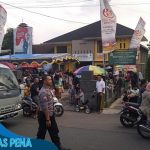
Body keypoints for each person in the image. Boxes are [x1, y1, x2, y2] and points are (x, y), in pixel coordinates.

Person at [37, 75, 70, 150]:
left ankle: (58, 147)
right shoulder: (43, 92)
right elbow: (45, 107)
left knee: (54, 132)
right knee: (41, 134)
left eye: (51, 79)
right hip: (45, 116)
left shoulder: (49, 90)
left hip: (50, 115)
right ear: (45, 81)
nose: (51, 81)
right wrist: (48, 119)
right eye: (49, 80)